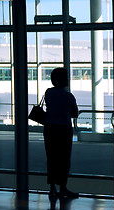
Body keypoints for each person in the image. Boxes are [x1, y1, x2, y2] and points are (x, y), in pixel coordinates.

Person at [44, 67, 79, 201]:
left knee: (51, 158)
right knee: (64, 159)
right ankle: (63, 187)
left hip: (49, 128)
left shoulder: (48, 93)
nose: (67, 80)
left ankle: (52, 188)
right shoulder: (68, 96)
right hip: (64, 129)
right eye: (66, 77)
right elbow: (75, 113)